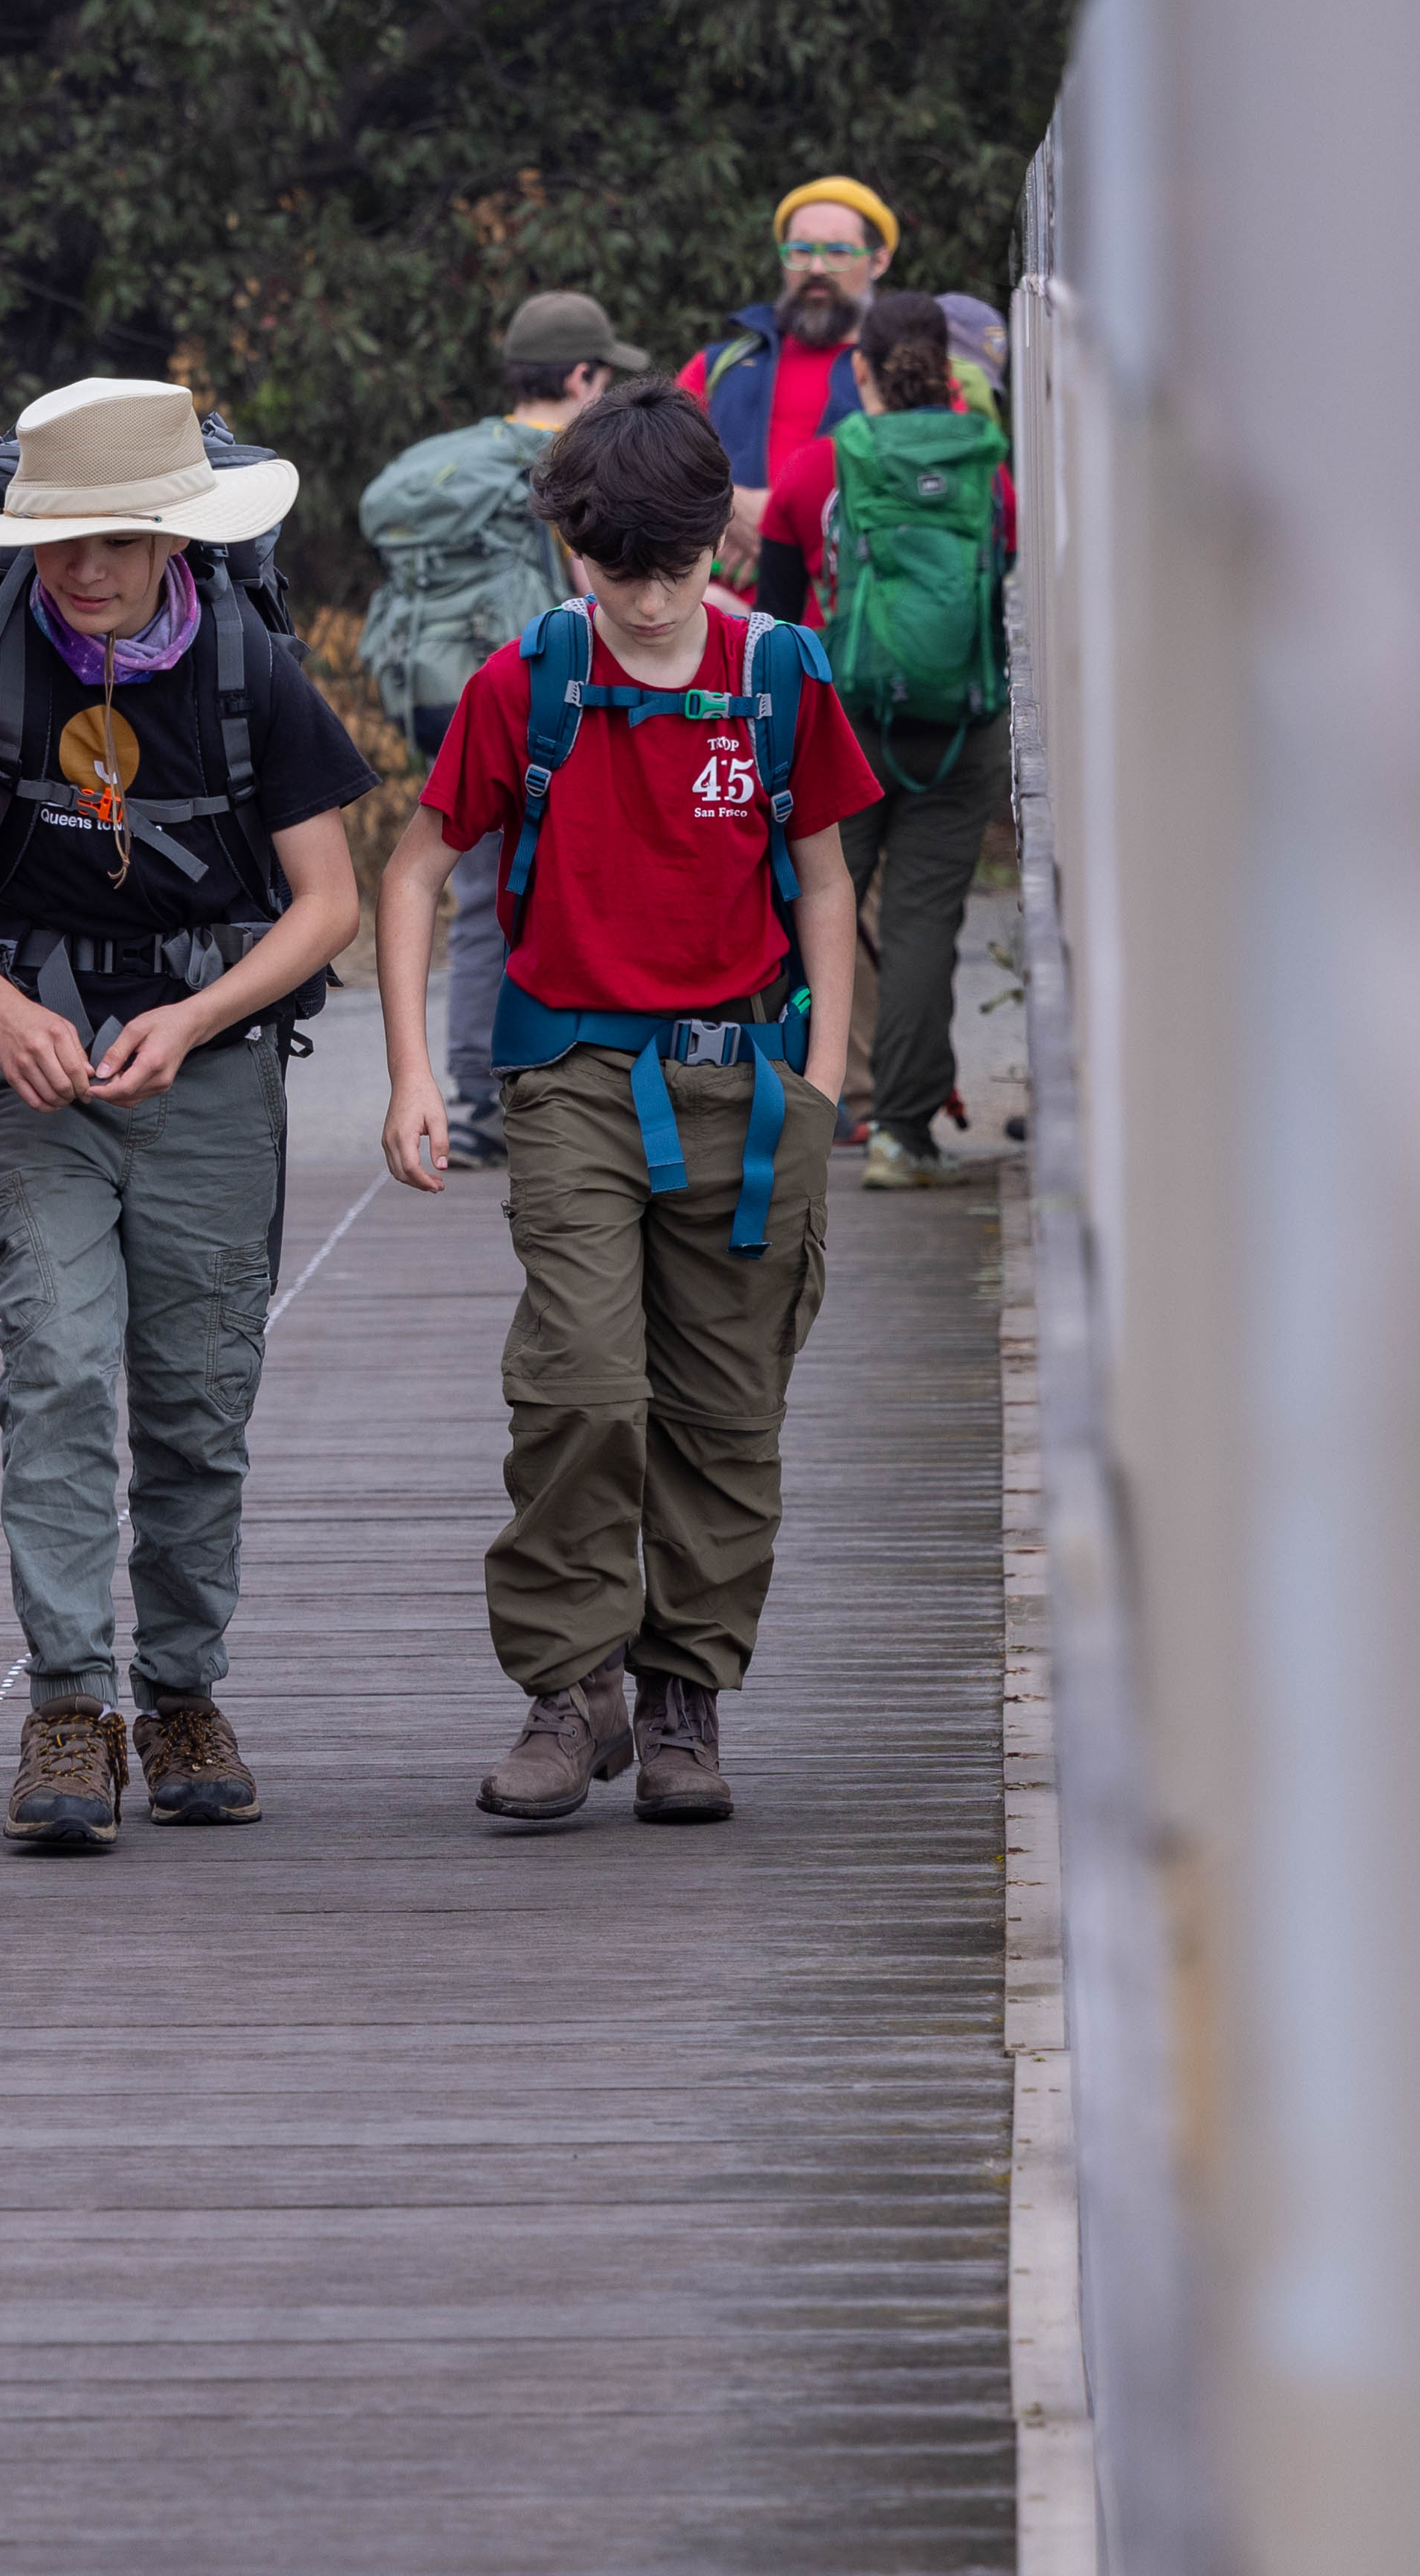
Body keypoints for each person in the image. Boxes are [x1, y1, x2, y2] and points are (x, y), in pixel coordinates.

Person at [375, 386, 876, 1829]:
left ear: (722, 539)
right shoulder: (522, 681)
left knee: (726, 1408)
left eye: (679, 566)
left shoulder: (779, 672)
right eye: (618, 571)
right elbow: (416, 869)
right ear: (569, 551)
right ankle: (566, 1676)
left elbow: (829, 880)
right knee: (582, 1384)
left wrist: (826, 1081)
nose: (652, 602)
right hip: (576, 1080)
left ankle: (681, 1696)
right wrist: (415, 1067)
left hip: (750, 1080)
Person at [0, 378, 368, 1847]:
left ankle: (181, 1688)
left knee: (195, 1390)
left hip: (207, 1066)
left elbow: (327, 900)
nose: (82, 567)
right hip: (39, 1061)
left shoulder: (249, 670)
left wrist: (197, 1016)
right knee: (54, 1363)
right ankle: (66, 1700)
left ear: (172, 532)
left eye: (112, 535)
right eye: (56, 538)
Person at [356, 291, 641, 1168]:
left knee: (477, 886)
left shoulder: (461, 456)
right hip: (525, 686)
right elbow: (590, 583)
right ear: (583, 374)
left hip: (437, 687)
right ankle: (502, 1093)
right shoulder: (564, 462)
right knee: (523, 888)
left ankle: (481, 1095)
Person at [766, 292, 1010, 1189]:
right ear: (948, 376)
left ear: (858, 367)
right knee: (920, 927)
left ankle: (780, 1108)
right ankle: (899, 1137)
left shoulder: (811, 469)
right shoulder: (990, 471)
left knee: (800, 907)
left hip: (841, 723)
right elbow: (993, 600)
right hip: (958, 734)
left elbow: (777, 623)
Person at [684, 173, 896, 609]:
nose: (816, 269)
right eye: (800, 251)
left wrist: (784, 525)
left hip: (857, 642)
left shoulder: (909, 373)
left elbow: (945, 491)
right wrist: (724, 507)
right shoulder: (716, 367)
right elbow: (646, 469)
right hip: (722, 637)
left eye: (838, 252)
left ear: (879, 261)